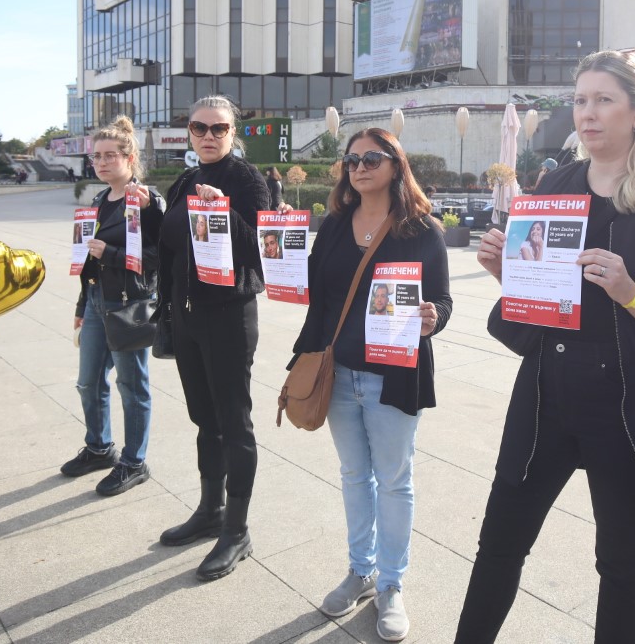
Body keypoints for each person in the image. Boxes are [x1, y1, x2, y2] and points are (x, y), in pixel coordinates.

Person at [455, 49, 635, 644]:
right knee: (499, 544)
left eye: (604, 99)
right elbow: (538, 308)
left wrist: (631, 293)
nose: (589, 113)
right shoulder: (555, 186)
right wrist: (509, 274)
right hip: (546, 399)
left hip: (631, 410)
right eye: (581, 100)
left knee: (624, 563)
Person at [291, 127, 450, 642]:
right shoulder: (334, 225)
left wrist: (432, 316)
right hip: (337, 374)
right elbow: (312, 289)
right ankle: (360, 572)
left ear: (395, 165)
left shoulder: (422, 230)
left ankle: (391, 584)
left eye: (372, 158)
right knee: (355, 475)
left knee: (395, 479)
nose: (360, 167)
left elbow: (443, 302)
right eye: (352, 159)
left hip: (394, 375)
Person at [158, 95, 271, 581]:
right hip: (187, 317)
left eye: (218, 129)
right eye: (199, 127)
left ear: (232, 132)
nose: (208, 136)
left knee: (233, 422)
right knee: (204, 419)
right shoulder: (184, 180)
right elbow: (167, 246)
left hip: (229, 315)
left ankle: (237, 529)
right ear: (188, 131)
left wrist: (223, 211)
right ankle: (210, 511)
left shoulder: (248, 180)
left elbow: (261, 250)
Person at [62, 116, 164, 496]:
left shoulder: (146, 202)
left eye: (109, 156)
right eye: (96, 157)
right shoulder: (99, 201)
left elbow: (159, 258)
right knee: (88, 382)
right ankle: (99, 447)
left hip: (128, 305)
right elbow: (87, 259)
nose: (101, 163)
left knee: (131, 384)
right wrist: (80, 302)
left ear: (129, 156)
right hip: (95, 301)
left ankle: (134, 461)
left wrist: (114, 254)